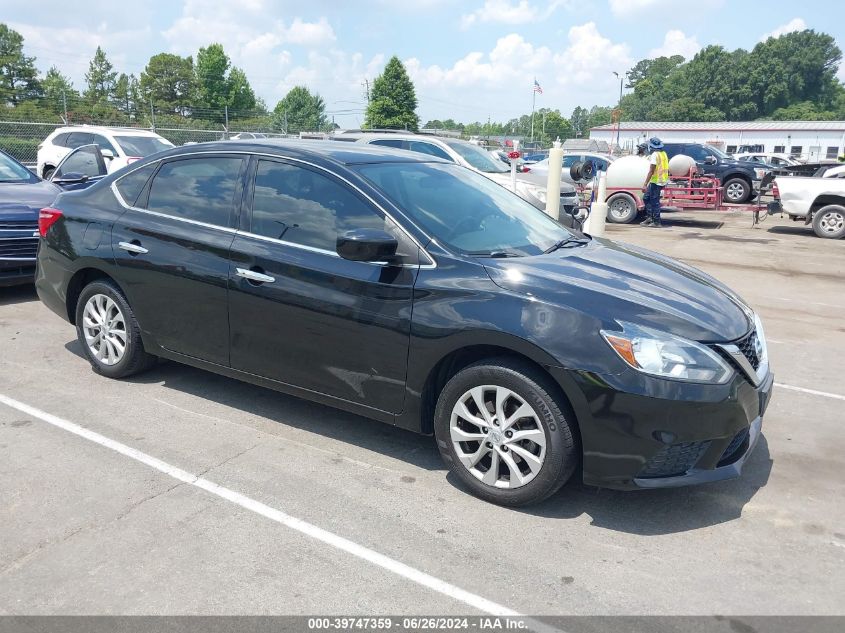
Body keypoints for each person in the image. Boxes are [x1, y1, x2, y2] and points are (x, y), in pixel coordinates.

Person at [640, 137, 669, 228]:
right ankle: (650, 217)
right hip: (660, 180)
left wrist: (645, 184)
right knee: (646, 198)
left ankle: (656, 221)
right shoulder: (664, 154)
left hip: (657, 181)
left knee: (654, 201)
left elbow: (651, 171)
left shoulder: (655, 155)